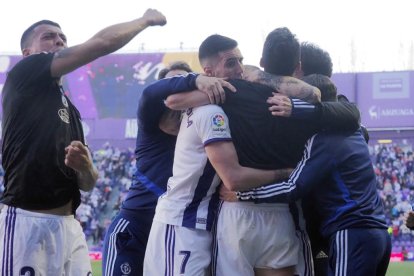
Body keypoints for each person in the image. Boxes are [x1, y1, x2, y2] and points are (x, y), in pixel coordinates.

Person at [158, 30, 360, 276]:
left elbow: (174, 101)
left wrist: (209, 82)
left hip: (235, 210)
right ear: (297, 66)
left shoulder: (234, 93)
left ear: (262, 63)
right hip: (283, 213)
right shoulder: (309, 107)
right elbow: (338, 109)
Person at [0, 9, 166, 275]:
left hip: (70, 225)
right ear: (27, 53)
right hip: (27, 222)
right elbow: (100, 44)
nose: (59, 41)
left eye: (62, 37)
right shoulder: (24, 73)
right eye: (49, 37)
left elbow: (88, 183)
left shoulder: (72, 110)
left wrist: (85, 166)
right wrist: (144, 20)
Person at [237, 74, 391, 276]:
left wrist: (245, 194)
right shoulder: (355, 131)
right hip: (378, 233)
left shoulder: (324, 140)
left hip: (351, 232)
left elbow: (293, 187)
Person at [102, 61, 235, 276]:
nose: (179, 91)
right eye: (172, 85)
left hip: (181, 228)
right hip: (136, 227)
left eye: (185, 86)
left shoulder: (205, 129)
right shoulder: (150, 125)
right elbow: (149, 94)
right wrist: (194, 79)